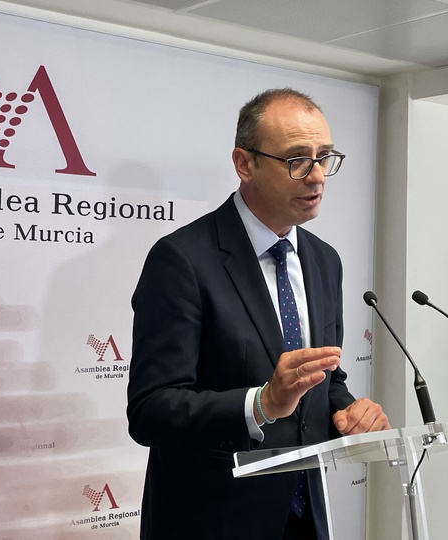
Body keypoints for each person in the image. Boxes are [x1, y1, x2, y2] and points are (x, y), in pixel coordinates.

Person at [126, 88, 390, 540]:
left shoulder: (324, 260)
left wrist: (346, 411)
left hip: (304, 519)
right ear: (245, 164)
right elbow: (151, 410)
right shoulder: (182, 259)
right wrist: (261, 404)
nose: (317, 176)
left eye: (324, 156)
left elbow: (327, 377)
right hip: (212, 522)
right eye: (296, 160)